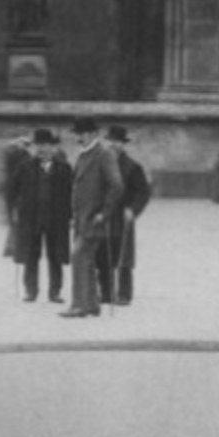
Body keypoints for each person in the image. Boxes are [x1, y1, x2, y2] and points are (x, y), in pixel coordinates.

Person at [62, 118, 122, 320]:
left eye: (82, 133)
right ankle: (91, 306)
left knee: (79, 257)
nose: (78, 138)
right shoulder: (84, 155)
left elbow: (116, 186)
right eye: (77, 134)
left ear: (93, 134)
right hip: (81, 219)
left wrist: (104, 213)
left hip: (94, 219)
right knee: (85, 261)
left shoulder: (104, 154)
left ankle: (79, 305)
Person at [7, 128, 72, 304]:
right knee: (30, 255)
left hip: (56, 220)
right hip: (31, 219)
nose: (41, 149)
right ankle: (30, 290)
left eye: (45, 145)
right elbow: (11, 191)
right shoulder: (24, 167)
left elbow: (71, 194)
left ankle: (55, 292)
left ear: (53, 147)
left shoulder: (64, 169)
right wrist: (13, 213)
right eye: (38, 145)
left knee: (56, 256)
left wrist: (70, 216)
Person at [99, 125, 151, 306]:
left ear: (123, 144)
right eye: (111, 141)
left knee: (123, 255)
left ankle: (124, 294)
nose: (114, 145)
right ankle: (105, 292)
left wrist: (133, 209)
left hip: (123, 217)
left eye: (118, 142)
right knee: (104, 253)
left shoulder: (133, 167)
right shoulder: (100, 164)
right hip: (104, 215)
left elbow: (143, 192)